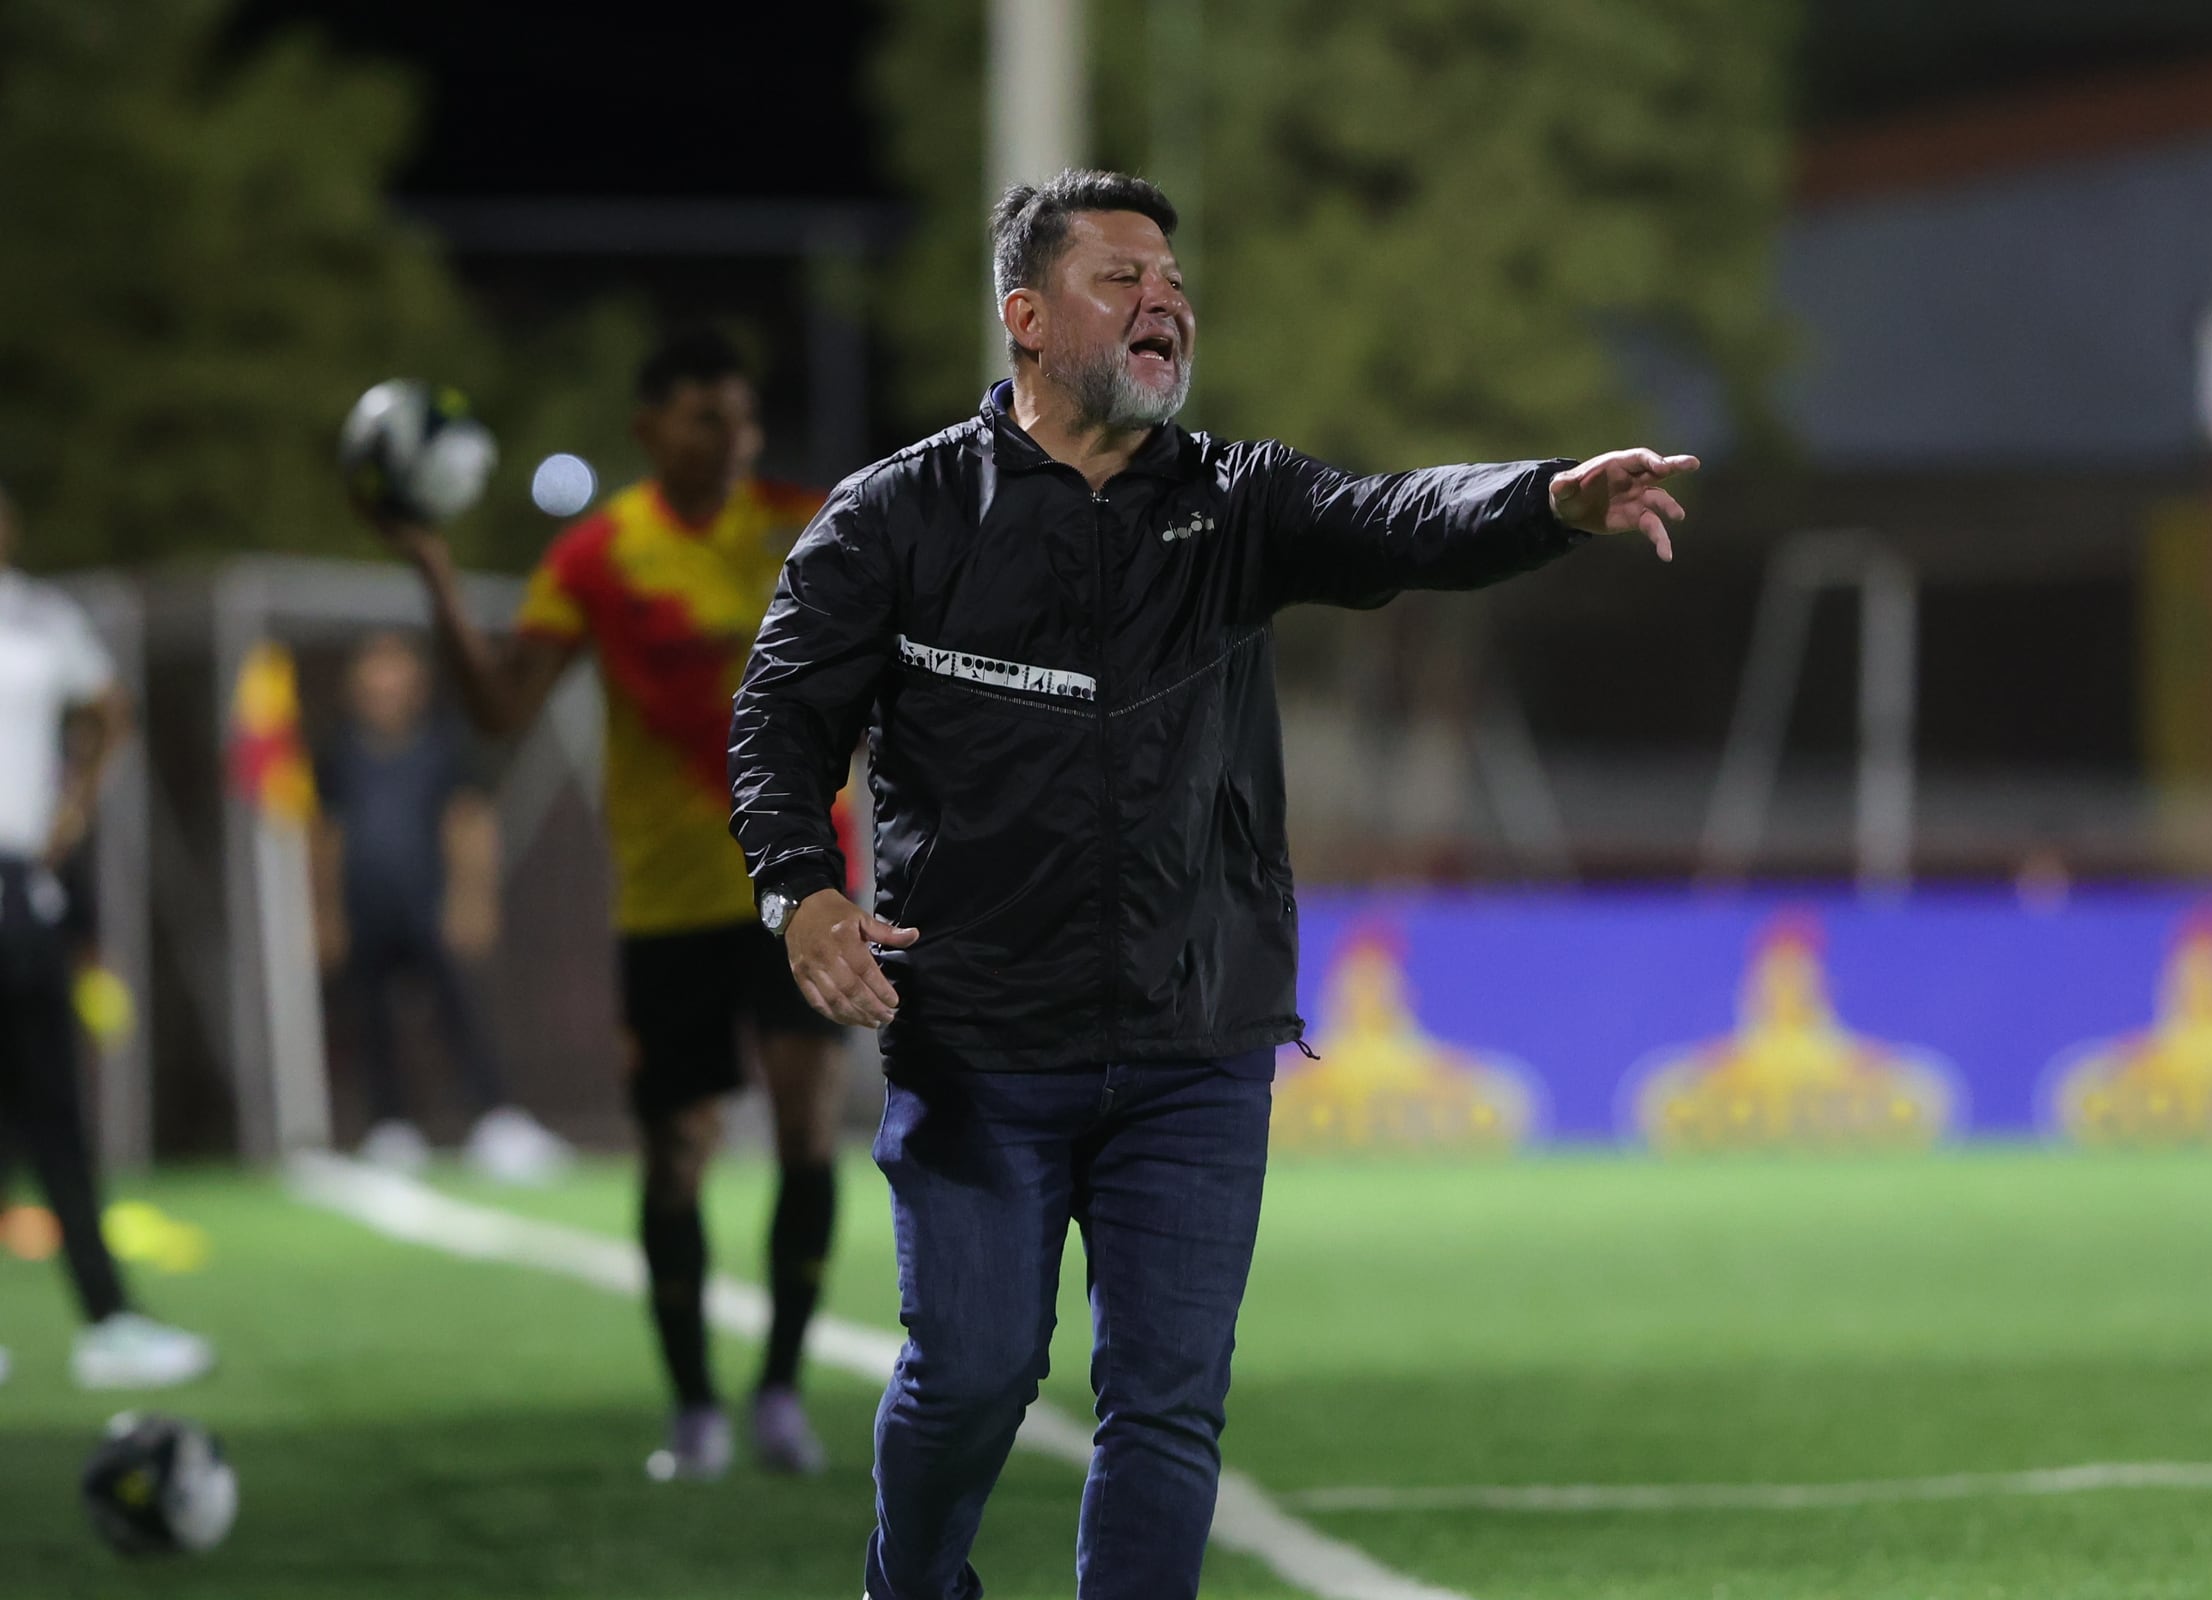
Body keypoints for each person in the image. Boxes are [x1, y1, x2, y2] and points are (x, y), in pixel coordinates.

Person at [728, 169, 1698, 1600]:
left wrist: (1544, 501)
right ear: (1027, 316)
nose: (1163, 301)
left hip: (1197, 1041)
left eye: (1172, 283)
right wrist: (800, 890)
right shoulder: (900, 514)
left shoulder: (1239, 499)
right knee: (972, 1376)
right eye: (1121, 278)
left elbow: (1394, 516)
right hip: (981, 1036)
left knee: (1167, 1406)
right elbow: (778, 719)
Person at [365, 331, 848, 1478]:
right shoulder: (596, 558)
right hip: (669, 900)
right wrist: (433, 570)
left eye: (743, 418)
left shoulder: (807, 521)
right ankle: (694, 1407)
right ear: (648, 430)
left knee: (806, 1125)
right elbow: (499, 708)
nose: (732, 440)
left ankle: (781, 1392)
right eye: (705, 419)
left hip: (803, 886)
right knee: (677, 1150)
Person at [0, 482, 215, 1390]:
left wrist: (74, 807)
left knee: (54, 1112)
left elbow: (108, 707)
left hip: (17, 885)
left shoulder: (39, 616)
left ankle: (109, 1320)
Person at [313, 629, 569, 1182]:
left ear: (417, 684)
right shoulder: (340, 754)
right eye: (374, 675)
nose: (385, 687)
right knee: (371, 1017)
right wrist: (326, 913)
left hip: (429, 904)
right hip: (365, 908)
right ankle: (389, 1125)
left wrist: (472, 900)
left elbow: (469, 822)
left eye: (395, 673)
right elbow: (326, 834)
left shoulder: (445, 746)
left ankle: (496, 1119)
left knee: (460, 1012)